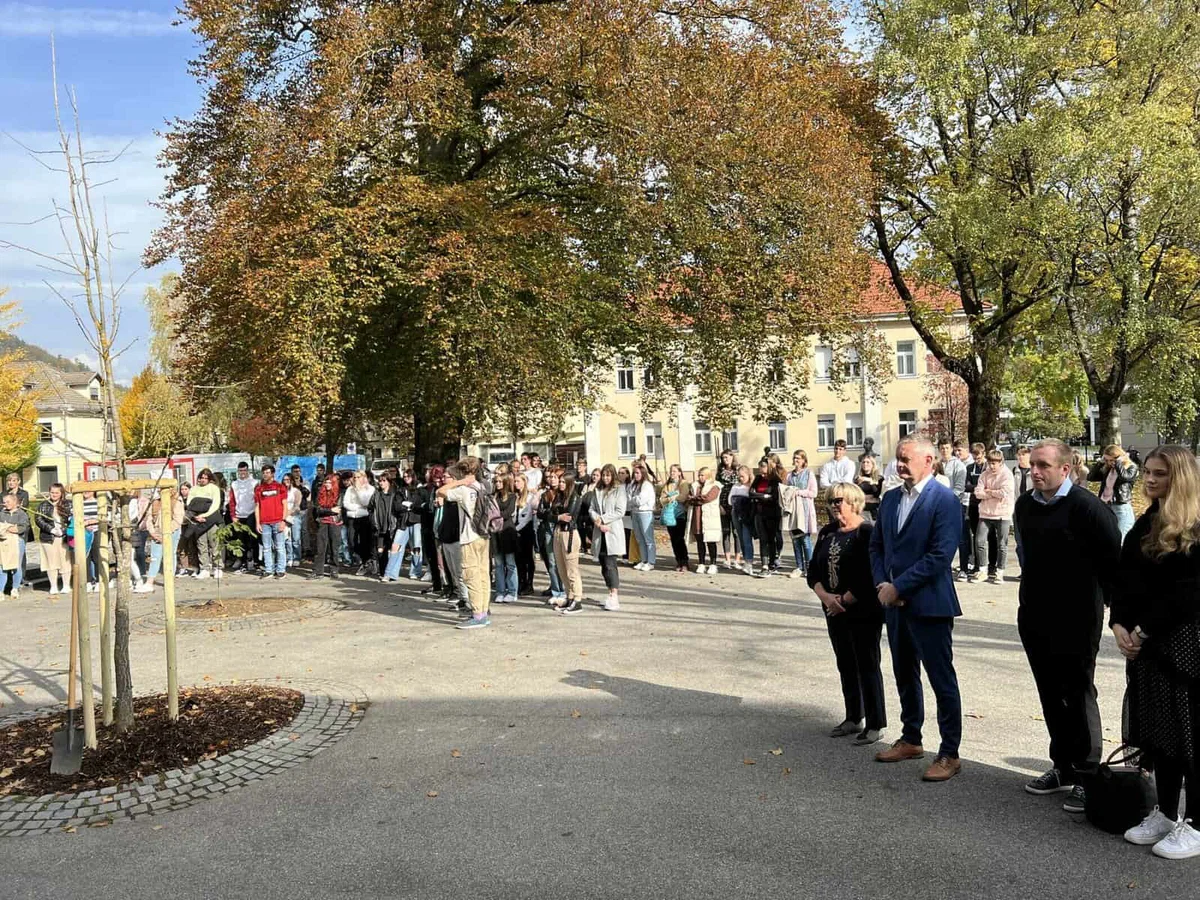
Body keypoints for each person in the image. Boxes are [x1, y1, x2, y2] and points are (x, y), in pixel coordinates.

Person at [1011, 438, 1120, 814]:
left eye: (1043, 465)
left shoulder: (1089, 509)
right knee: (1049, 692)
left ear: (1066, 469)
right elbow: (1026, 555)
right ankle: (1063, 767)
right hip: (1036, 615)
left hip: (1077, 619)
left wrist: (1117, 616)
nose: (1035, 472)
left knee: (1077, 693)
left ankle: (1088, 774)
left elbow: (1112, 567)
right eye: (1032, 466)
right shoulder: (1025, 506)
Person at [1112, 446, 1200, 859]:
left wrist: (1145, 629)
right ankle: (1165, 812)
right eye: (1146, 472)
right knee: (1159, 736)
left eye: (1160, 474)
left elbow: (1189, 594)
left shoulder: (1196, 527)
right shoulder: (1147, 521)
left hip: (1185, 649)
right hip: (1147, 649)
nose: (1149, 480)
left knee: (1190, 738)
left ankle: (1196, 823)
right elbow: (1124, 581)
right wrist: (1119, 625)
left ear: (1179, 477)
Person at [869, 437, 964, 783]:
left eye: (906, 459)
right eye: (897, 459)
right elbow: (877, 546)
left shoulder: (945, 500)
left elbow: (941, 555)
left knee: (941, 680)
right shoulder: (892, 498)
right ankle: (911, 738)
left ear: (929, 461)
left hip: (930, 605)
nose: (900, 465)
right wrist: (883, 585)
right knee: (904, 673)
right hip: (893, 605)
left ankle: (950, 753)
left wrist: (900, 586)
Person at [808, 482, 886, 746]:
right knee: (845, 663)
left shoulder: (867, 532)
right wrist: (826, 597)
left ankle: (875, 723)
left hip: (863, 609)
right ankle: (854, 717)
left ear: (854, 501)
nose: (833, 506)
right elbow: (813, 573)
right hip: (833, 610)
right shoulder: (827, 532)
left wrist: (845, 599)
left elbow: (871, 573)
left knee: (867, 664)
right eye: (829, 501)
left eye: (838, 500)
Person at [438, 457, 492, 630]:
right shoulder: (483, 486)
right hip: (483, 535)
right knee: (483, 574)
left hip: (469, 536)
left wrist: (460, 481)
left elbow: (441, 491)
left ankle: (477, 615)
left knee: (471, 575)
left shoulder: (463, 490)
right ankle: (483, 610)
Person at [972, 449, 1015, 584]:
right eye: (990, 463)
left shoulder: (1007, 475)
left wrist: (988, 491)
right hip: (985, 513)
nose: (992, 466)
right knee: (979, 541)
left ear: (1001, 462)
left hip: (1003, 513)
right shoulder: (984, 475)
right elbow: (978, 493)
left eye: (994, 463)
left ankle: (999, 572)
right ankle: (983, 570)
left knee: (1002, 544)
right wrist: (991, 493)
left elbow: (1004, 492)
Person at [590, 464, 627, 611]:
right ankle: (609, 591)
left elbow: (620, 511)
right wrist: (597, 521)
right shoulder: (597, 490)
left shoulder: (619, 490)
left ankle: (614, 593)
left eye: (608, 475)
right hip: (600, 531)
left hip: (612, 530)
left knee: (611, 564)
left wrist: (604, 519)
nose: (605, 478)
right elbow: (591, 508)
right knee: (603, 563)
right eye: (603, 475)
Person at [550, 472, 585, 614]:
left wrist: (556, 516)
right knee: (561, 568)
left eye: (564, 482)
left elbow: (568, 517)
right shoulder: (559, 496)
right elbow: (548, 515)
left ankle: (577, 599)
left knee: (571, 569)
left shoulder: (575, 498)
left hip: (569, 533)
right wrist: (557, 516)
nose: (561, 484)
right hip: (558, 532)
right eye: (560, 481)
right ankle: (569, 596)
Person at [1089, 444, 1139, 542]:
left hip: (1120, 506)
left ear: (1119, 457)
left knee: (1121, 539)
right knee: (1106, 538)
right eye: (1107, 460)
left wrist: (1118, 463)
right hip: (1105, 505)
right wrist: (1100, 463)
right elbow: (1091, 477)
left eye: (1111, 460)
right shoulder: (1107, 469)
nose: (1109, 463)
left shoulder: (1131, 467)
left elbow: (1126, 477)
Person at [783, 450, 819, 578]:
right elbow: (786, 491)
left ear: (804, 460)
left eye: (798, 458)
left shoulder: (809, 474)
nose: (796, 460)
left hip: (804, 510)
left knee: (805, 540)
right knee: (795, 540)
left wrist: (798, 492)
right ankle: (799, 566)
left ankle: (810, 567)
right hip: (793, 511)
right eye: (795, 457)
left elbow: (813, 492)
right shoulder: (789, 476)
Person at [141, 489, 185, 591]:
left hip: (171, 532)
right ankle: (149, 582)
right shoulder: (155, 502)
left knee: (170, 555)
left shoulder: (176, 502)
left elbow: (178, 520)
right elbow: (149, 519)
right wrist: (152, 532)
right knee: (155, 557)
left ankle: (169, 580)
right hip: (157, 532)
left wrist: (166, 533)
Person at [184, 469, 223, 580]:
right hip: (197, 519)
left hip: (211, 519)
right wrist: (196, 517)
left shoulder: (214, 488)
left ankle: (218, 567)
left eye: (206, 478)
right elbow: (189, 504)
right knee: (201, 545)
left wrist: (205, 515)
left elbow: (215, 504)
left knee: (214, 544)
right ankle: (204, 568)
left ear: (210, 479)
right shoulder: (194, 489)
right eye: (201, 477)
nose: (203, 480)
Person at [537, 467, 568, 604]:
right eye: (550, 477)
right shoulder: (545, 495)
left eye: (555, 477)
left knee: (562, 561)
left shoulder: (564, 494)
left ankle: (564, 590)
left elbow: (566, 513)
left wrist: (552, 516)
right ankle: (556, 590)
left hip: (561, 529)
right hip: (548, 528)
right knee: (551, 561)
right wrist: (554, 516)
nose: (552, 479)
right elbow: (540, 513)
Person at [34, 483, 72, 595]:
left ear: (61, 493)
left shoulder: (68, 504)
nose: (54, 495)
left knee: (65, 561)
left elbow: (72, 519)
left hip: (64, 537)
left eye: (57, 493)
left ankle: (66, 585)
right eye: (52, 492)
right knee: (51, 562)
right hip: (48, 537)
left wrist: (63, 530)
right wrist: (51, 529)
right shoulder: (43, 505)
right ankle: (53, 586)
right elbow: (38, 518)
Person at [254, 465, 289, 579]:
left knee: (280, 547)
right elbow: (257, 506)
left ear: (273, 474)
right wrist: (257, 522)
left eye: (268, 472)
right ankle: (269, 569)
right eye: (264, 472)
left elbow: (285, 505)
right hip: (264, 523)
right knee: (266, 547)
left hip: (278, 521)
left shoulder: (280, 487)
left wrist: (284, 521)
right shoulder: (259, 489)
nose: (265, 475)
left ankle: (281, 570)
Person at [749, 458, 783, 576]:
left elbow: (774, 497)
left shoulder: (775, 480)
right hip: (759, 512)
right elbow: (751, 493)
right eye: (759, 468)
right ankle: (764, 565)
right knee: (763, 539)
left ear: (769, 467)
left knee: (771, 539)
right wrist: (764, 496)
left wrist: (760, 496)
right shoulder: (758, 479)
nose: (761, 472)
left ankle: (772, 563)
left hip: (772, 513)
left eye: (763, 468)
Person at [308, 472, 343, 579]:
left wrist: (327, 510)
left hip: (334, 522)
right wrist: (330, 510)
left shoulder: (339, 494)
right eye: (326, 482)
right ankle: (318, 571)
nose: (327, 484)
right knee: (320, 547)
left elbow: (338, 510)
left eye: (329, 482)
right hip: (323, 522)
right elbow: (318, 510)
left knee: (334, 547)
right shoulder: (321, 493)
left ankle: (334, 570)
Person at [227, 461, 260, 573]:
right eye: (240, 471)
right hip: (239, 515)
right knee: (240, 540)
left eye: (244, 470)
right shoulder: (234, 484)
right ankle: (241, 560)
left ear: (248, 471)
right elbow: (231, 501)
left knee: (252, 539)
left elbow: (257, 500)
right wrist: (233, 516)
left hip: (251, 513)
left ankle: (255, 561)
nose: (242, 473)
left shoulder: (255, 483)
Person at [491, 474, 519, 605]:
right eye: (496, 481)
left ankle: (512, 591)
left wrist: (495, 515)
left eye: (500, 481)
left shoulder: (512, 496)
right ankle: (500, 591)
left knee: (510, 564)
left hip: (507, 533)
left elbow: (509, 512)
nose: (497, 484)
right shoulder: (493, 497)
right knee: (498, 565)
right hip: (496, 533)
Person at [689, 466, 722, 575]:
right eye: (699, 475)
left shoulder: (715, 486)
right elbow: (690, 498)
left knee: (711, 541)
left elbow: (707, 498)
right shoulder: (695, 485)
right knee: (700, 541)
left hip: (710, 516)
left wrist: (695, 499)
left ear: (707, 475)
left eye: (702, 475)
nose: (700, 477)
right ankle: (701, 562)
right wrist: (694, 499)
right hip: (697, 516)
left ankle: (713, 563)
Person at [342, 471, 376, 575]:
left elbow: (366, 503)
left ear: (363, 478)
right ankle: (366, 560)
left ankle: (367, 562)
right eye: (354, 477)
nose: (355, 479)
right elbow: (346, 503)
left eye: (358, 477)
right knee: (352, 541)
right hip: (353, 517)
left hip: (364, 517)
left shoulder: (369, 489)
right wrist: (357, 508)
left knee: (365, 541)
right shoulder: (349, 489)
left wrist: (358, 490)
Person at [660, 465, 691, 573]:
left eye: (674, 471)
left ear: (679, 472)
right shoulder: (667, 485)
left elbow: (683, 497)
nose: (672, 473)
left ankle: (684, 561)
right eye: (671, 471)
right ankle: (678, 560)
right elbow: (662, 499)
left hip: (680, 514)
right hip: (669, 516)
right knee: (673, 539)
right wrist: (670, 498)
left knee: (679, 539)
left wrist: (673, 497)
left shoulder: (683, 483)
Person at [627, 463, 657, 571]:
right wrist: (633, 500)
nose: (636, 475)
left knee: (648, 538)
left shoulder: (647, 485)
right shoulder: (632, 485)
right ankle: (643, 560)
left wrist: (633, 500)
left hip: (645, 512)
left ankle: (651, 561)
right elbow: (628, 498)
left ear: (643, 473)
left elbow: (641, 500)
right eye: (634, 473)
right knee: (639, 538)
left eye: (638, 473)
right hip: (635, 512)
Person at [4, 473, 30, 595]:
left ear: (18, 482)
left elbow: (23, 508)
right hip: (6, 527)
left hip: (18, 525)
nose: (11, 483)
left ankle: (21, 578)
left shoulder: (23, 494)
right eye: (9, 481)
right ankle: (8, 581)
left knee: (20, 555)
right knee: (6, 554)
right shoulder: (3, 494)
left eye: (13, 480)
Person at [514, 472, 538, 596]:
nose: (516, 483)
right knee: (519, 558)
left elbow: (527, 516)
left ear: (524, 482)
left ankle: (529, 583)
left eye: (518, 481)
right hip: (515, 529)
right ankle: (521, 581)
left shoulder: (529, 496)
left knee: (528, 557)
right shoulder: (514, 496)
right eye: (515, 481)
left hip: (525, 530)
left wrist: (516, 528)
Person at [368, 473, 397, 577]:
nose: (381, 483)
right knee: (380, 550)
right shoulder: (376, 494)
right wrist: (373, 519)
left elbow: (397, 508)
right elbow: (370, 507)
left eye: (384, 481)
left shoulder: (394, 494)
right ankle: (383, 571)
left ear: (389, 482)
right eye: (380, 481)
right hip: (379, 526)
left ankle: (391, 572)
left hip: (390, 525)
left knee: (391, 550)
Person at [716, 450, 741, 568]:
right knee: (726, 532)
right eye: (723, 458)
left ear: (732, 457)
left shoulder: (738, 470)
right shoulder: (720, 472)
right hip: (723, 504)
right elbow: (717, 489)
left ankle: (737, 559)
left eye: (726, 457)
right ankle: (727, 559)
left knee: (737, 532)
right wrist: (719, 505)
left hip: (735, 505)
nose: (725, 460)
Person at [729, 466, 756, 576]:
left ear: (748, 475)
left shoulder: (752, 487)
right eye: (739, 476)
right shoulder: (736, 486)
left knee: (746, 538)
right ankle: (746, 561)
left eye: (742, 476)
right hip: (736, 513)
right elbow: (730, 500)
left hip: (747, 515)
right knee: (740, 538)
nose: (740, 478)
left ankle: (749, 562)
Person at [283, 473, 304, 568]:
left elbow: (297, 505)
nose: (286, 481)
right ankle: (289, 557)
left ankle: (296, 557)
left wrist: (289, 513)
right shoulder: (282, 491)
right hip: (284, 517)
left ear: (291, 480)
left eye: (288, 479)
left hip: (294, 516)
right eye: (284, 480)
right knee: (287, 539)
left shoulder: (296, 491)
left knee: (296, 538)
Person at [856, 455, 884, 523]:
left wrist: (869, 481)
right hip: (861, 510)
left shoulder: (880, 478)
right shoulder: (858, 478)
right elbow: (856, 494)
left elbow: (877, 494)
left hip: (874, 511)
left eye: (868, 462)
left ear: (872, 464)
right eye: (863, 462)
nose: (865, 464)